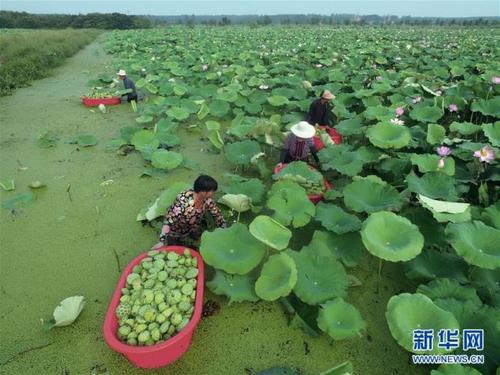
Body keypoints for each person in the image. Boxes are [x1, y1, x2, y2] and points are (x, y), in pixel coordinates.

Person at [155, 175, 227, 248]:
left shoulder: (207, 200)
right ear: (203, 191)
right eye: (211, 191)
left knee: (196, 243)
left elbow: (217, 215)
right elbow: (169, 221)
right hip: (176, 231)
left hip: (193, 228)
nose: (213, 193)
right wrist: (162, 241)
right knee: (174, 249)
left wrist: (226, 231)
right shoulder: (183, 201)